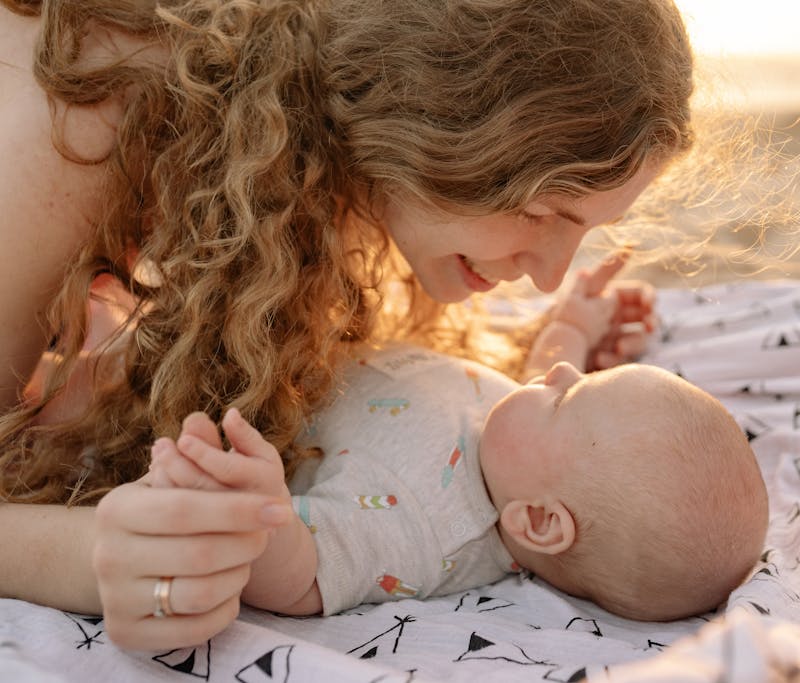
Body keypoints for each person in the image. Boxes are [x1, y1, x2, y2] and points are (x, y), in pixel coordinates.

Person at [0, 0, 695, 649]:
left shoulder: (298, 149)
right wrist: (89, 554)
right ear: (438, 118)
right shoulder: (87, 104)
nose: (550, 275)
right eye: (542, 212)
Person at [148, 258, 769, 622]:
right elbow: (549, 362)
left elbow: (308, 579)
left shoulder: (428, 529)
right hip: (286, 336)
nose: (559, 374)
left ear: (540, 523)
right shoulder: (523, 449)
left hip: (222, 388)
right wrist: (576, 322)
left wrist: (258, 513)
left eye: (568, 396)